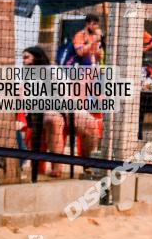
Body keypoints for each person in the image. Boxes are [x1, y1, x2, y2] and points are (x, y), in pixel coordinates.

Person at [23, 45, 99, 177]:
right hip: (40, 111)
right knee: (54, 120)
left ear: (37, 57)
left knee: (90, 122)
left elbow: (66, 93)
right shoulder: (27, 75)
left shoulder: (54, 70)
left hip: (64, 106)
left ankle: (88, 164)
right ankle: (57, 167)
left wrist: (68, 111)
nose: (23, 61)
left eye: (26, 57)